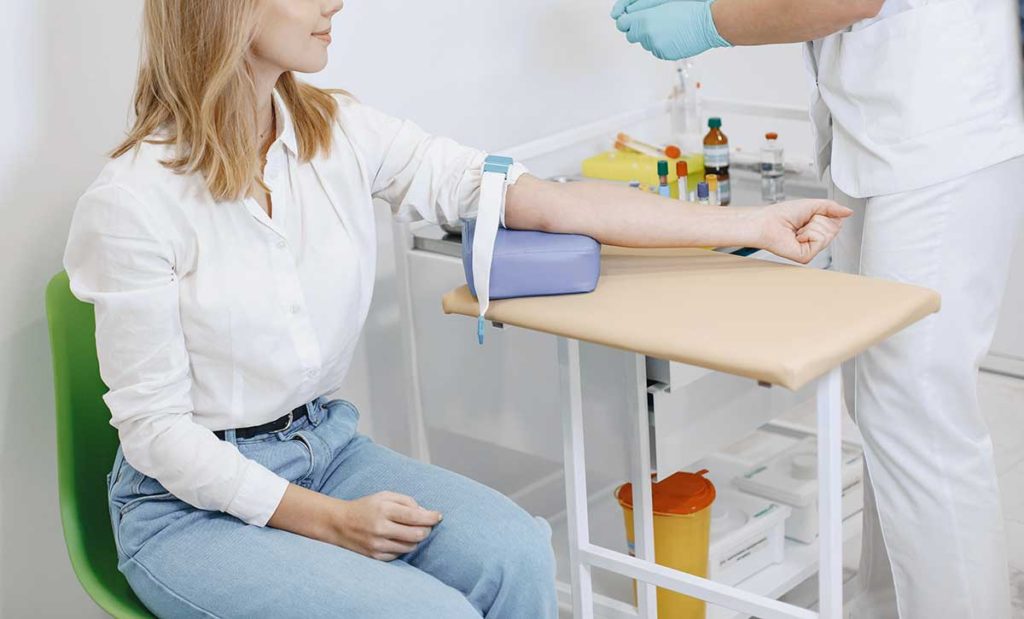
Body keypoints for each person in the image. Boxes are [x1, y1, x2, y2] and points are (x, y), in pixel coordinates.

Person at [62, 0, 851, 616]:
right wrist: (328, 521)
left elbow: (544, 201)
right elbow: (158, 436)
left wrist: (748, 226)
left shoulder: (337, 131)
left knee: (517, 549)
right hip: (186, 509)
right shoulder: (134, 202)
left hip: (326, 448)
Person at [612, 0, 1024, 617]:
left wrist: (709, 20)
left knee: (919, 412)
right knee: (885, 405)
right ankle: (888, 603)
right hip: (889, 129)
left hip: (939, 129)